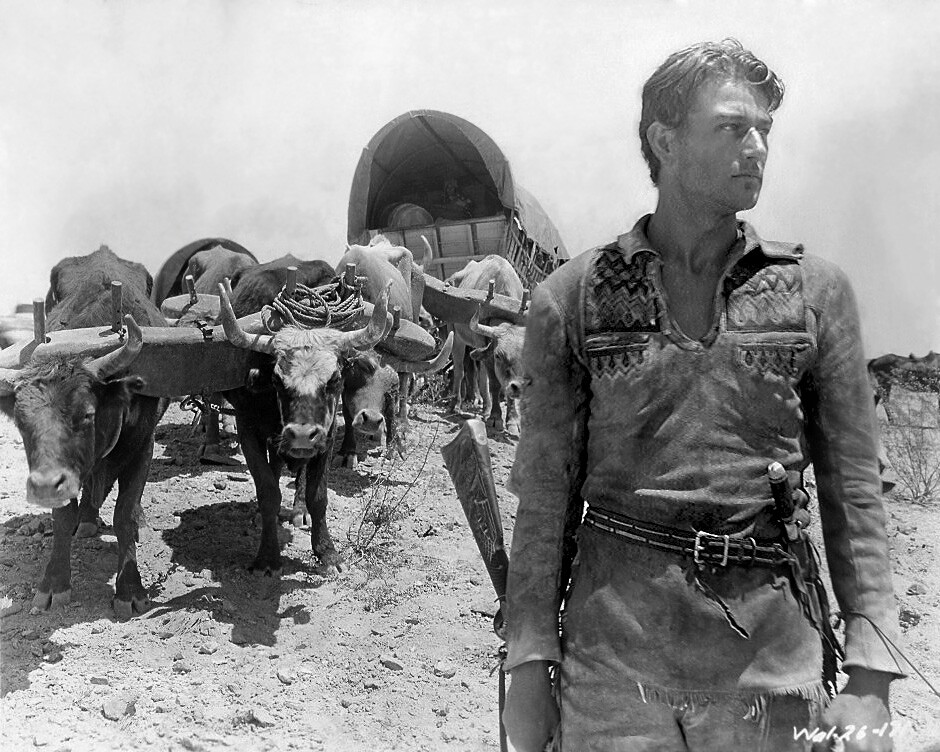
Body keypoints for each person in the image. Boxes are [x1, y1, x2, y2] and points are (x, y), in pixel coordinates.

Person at [502, 39, 904, 752]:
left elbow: (853, 491)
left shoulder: (816, 293)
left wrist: (871, 670)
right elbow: (544, 496)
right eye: (731, 127)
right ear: (664, 139)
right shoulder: (573, 299)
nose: (756, 146)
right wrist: (530, 660)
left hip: (771, 667)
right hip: (613, 672)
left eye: (763, 131)